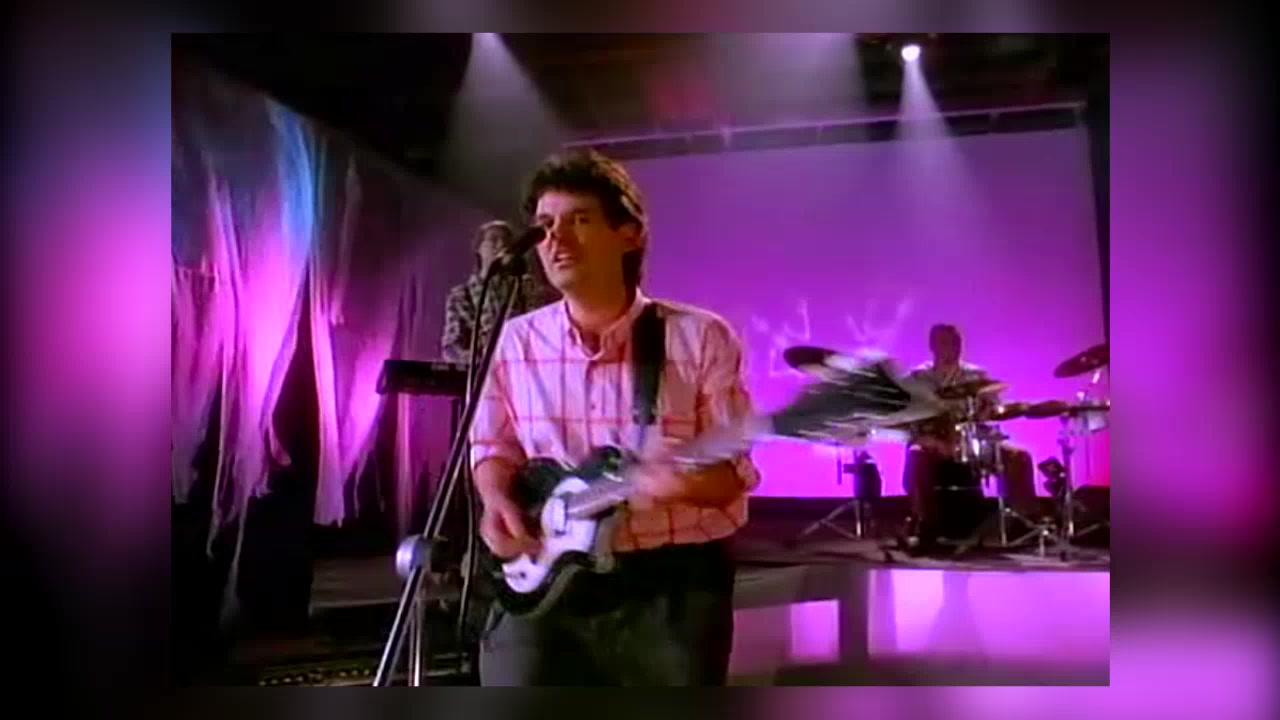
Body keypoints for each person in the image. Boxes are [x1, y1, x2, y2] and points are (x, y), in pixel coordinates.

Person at [468, 149, 761, 686]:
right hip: (547, 579)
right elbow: (492, 446)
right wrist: (495, 501)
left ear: (629, 235)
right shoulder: (514, 341)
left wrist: (677, 483)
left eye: (579, 220)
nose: (556, 240)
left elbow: (732, 478)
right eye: (545, 225)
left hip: (670, 589)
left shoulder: (700, 337)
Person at [902, 324, 1037, 544]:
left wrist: (988, 411)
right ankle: (924, 524)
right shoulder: (918, 378)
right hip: (934, 441)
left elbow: (993, 409)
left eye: (956, 343)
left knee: (1019, 457)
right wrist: (935, 441)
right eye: (945, 343)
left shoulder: (976, 376)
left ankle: (1021, 522)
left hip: (973, 441)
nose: (952, 347)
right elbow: (908, 420)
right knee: (917, 455)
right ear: (932, 346)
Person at [441, 220, 560, 364]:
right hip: (482, 369)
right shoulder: (461, 294)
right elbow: (452, 345)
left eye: (506, 240)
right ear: (479, 248)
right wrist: (480, 363)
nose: (502, 244)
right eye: (493, 239)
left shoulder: (526, 286)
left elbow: (539, 331)